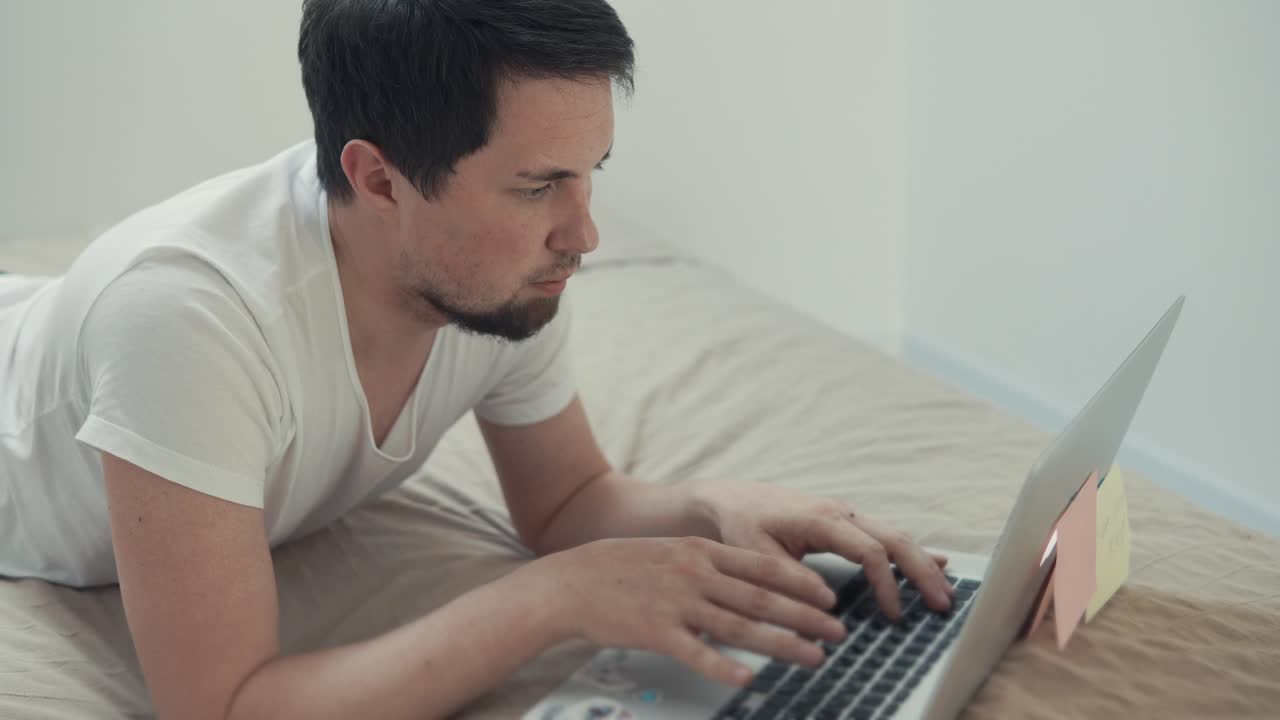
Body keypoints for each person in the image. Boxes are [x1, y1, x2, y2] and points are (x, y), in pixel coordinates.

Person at [0, 1, 955, 718]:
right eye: (537, 187)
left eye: (589, 176)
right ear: (377, 178)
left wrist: (712, 506)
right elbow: (228, 706)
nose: (583, 234)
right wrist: (545, 602)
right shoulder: (187, 322)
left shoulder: (495, 279)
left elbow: (569, 501)